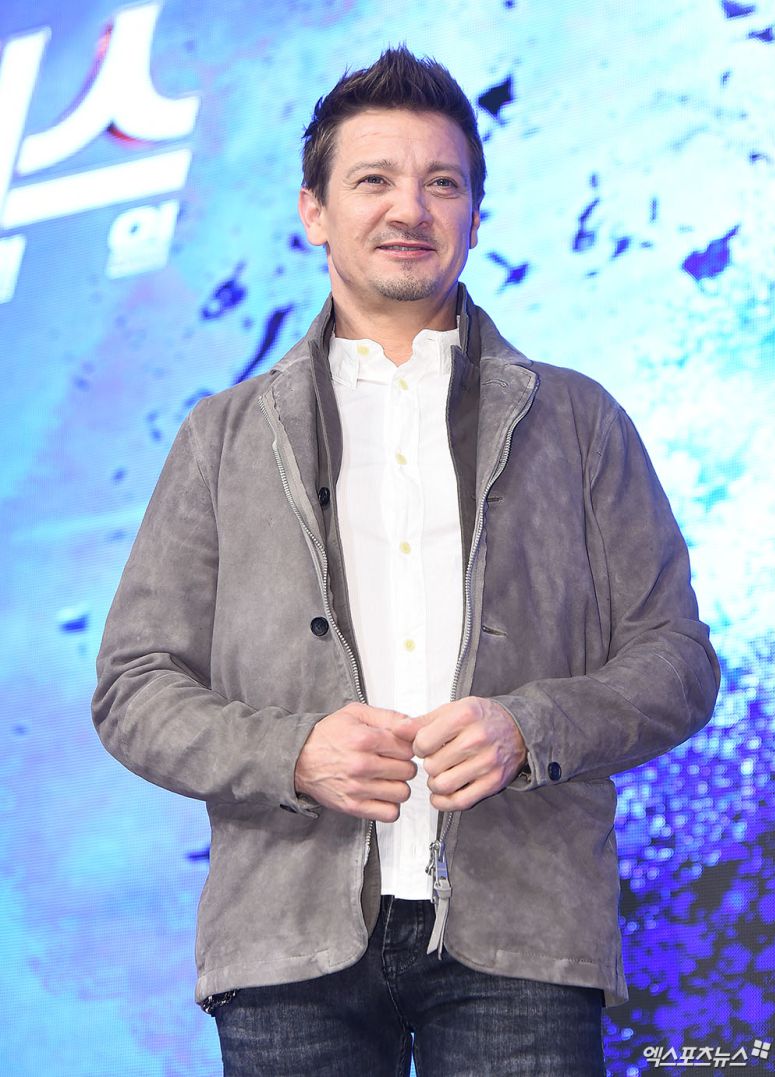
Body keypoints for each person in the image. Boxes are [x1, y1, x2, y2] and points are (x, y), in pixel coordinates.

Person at [92, 46, 720, 1076]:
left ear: (476, 214)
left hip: (525, 933)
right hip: (285, 940)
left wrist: (531, 729)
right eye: (373, 180)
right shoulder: (222, 436)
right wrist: (293, 754)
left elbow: (678, 661)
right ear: (314, 211)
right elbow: (133, 686)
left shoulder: (578, 420)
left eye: (443, 183)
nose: (409, 209)